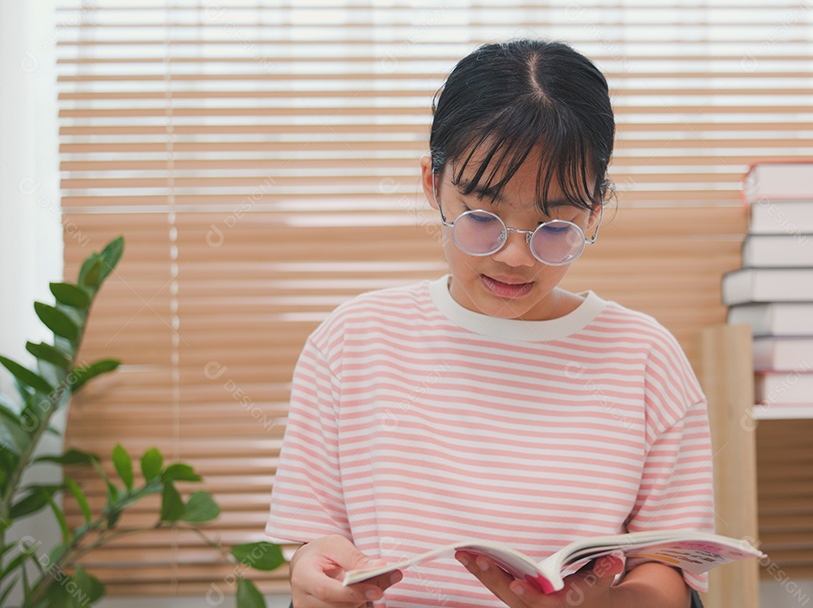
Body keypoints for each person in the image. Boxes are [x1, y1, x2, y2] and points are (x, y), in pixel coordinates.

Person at [266, 39, 714, 608]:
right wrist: (316, 577)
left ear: (595, 211)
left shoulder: (645, 357)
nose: (515, 257)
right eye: (482, 216)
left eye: (555, 228)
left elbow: (669, 569)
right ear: (432, 185)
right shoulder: (351, 342)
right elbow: (317, 545)